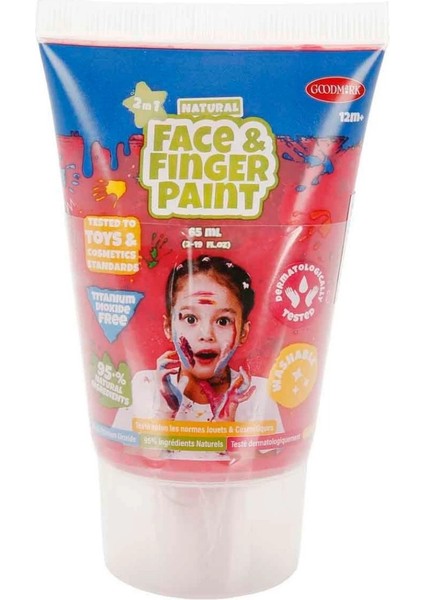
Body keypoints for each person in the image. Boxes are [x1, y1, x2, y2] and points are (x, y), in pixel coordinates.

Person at [113, 255, 284, 459]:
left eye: (223, 321)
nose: (206, 335)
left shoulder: (256, 394)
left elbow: (269, 468)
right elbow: (128, 461)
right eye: (190, 318)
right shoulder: (145, 385)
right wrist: (163, 414)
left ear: (243, 332)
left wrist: (226, 428)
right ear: (168, 327)